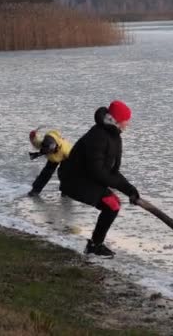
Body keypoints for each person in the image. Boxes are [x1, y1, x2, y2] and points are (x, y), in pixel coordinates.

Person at [58, 100, 140, 257]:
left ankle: (95, 244)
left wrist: (130, 190)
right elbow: (98, 172)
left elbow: (113, 171)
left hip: (87, 178)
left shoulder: (115, 137)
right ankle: (95, 245)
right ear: (116, 120)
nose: (127, 124)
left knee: (114, 203)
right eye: (125, 120)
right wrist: (121, 187)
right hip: (74, 179)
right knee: (112, 204)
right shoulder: (98, 136)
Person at [28, 128, 73, 196]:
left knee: (64, 174)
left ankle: (66, 191)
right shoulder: (44, 144)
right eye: (46, 150)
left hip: (66, 158)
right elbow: (36, 143)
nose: (48, 151)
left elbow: (74, 158)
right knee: (45, 174)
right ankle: (35, 190)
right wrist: (32, 137)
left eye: (49, 150)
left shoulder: (65, 150)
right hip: (53, 159)